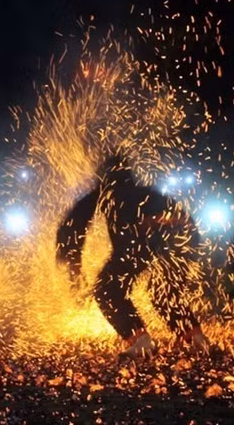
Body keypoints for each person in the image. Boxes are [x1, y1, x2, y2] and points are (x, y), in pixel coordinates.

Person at [56, 153, 210, 357]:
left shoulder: (108, 192)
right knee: (163, 294)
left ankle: (141, 341)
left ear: (104, 178)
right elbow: (186, 221)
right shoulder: (146, 193)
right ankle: (196, 338)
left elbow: (74, 225)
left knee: (107, 291)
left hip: (142, 242)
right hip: (181, 243)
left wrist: (72, 265)